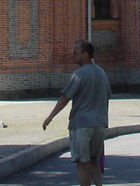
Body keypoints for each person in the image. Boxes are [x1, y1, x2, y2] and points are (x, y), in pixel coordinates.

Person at [43, 39, 111, 186]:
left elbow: (65, 98)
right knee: (93, 161)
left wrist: (50, 117)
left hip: (81, 125)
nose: (73, 56)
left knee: (82, 162)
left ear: (86, 54)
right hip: (99, 124)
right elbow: (107, 97)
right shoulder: (102, 73)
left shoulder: (79, 74)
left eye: (76, 53)